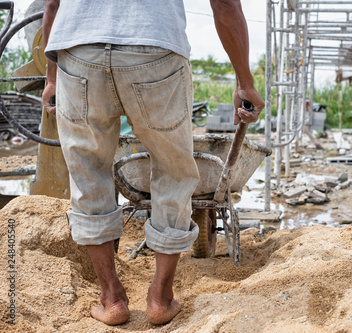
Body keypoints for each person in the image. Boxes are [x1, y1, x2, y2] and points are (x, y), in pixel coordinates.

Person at [41, 0, 264, 326]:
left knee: (88, 172)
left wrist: (51, 77)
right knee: (173, 170)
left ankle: (111, 299)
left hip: (78, 48)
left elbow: (52, 3)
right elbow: (224, 3)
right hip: (154, 46)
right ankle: (160, 296)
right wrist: (245, 82)